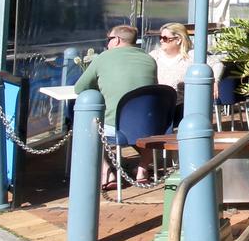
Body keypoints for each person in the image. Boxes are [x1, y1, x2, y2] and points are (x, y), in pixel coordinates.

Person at [74, 24, 157, 188]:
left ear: (117, 40)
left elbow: (79, 88)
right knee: (143, 126)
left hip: (115, 126)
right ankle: (142, 169)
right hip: (149, 126)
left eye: (109, 39)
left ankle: (107, 171)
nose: (107, 43)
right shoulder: (149, 59)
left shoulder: (103, 58)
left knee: (88, 128)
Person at [149, 22, 225, 114]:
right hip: (158, 105)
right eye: (160, 38)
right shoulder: (154, 56)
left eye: (165, 38)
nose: (161, 41)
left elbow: (217, 64)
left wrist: (215, 81)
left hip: (184, 107)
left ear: (178, 40)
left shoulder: (191, 56)